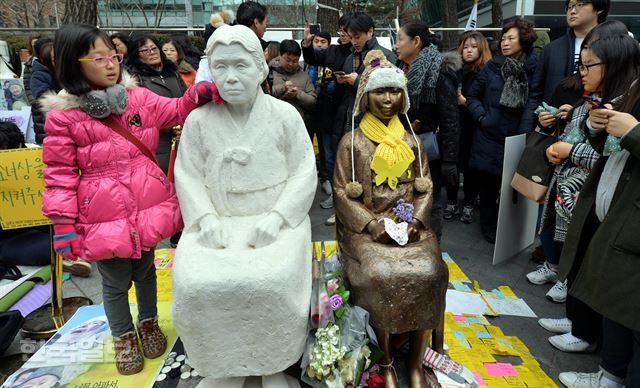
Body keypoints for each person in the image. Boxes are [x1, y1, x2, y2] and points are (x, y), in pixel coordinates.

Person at [39, 24, 220, 375]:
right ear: (72, 64)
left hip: (145, 204)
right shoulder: (64, 118)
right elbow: (58, 175)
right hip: (103, 214)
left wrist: (196, 95)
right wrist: (63, 223)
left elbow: (174, 110)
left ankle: (149, 322)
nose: (110, 65)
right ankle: (123, 335)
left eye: (114, 56)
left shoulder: (137, 99)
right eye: (99, 58)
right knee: (114, 281)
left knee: (147, 272)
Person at [171, 24, 316, 386]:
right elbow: (187, 174)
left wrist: (279, 216)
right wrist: (204, 218)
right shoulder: (199, 121)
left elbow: (303, 171)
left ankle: (272, 364)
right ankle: (224, 365)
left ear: (261, 69)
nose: (231, 77)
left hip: (275, 222)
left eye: (241, 66)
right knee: (194, 283)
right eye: (221, 67)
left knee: (272, 282)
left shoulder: (285, 116)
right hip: (217, 220)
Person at [333, 50, 447, 388]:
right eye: (380, 91)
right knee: (379, 274)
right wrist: (371, 224)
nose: (387, 99)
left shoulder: (412, 142)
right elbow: (342, 192)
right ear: (365, 97)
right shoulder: (351, 143)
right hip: (367, 230)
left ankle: (414, 363)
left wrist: (416, 222)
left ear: (404, 96)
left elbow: (426, 188)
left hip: (412, 227)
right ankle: (385, 363)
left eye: (395, 91)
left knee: (430, 271)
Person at [556, 33, 640, 388]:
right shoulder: (628, 93)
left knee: (622, 305)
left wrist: (634, 132)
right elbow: (610, 150)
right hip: (612, 210)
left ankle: (611, 374)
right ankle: (607, 370)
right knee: (609, 296)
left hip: (627, 221)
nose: (583, 72)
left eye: (588, 65)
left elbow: (627, 142)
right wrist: (595, 127)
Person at [466, 18, 538, 243]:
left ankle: (509, 229)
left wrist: (524, 132)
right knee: (487, 188)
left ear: (523, 41)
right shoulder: (492, 66)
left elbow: (534, 101)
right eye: (503, 38)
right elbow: (472, 96)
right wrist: (482, 117)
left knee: (511, 189)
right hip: (489, 134)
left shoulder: (534, 67)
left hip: (517, 136)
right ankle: (488, 227)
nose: (505, 43)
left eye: (511, 38)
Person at [396, 21, 461, 241]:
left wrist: (449, 160)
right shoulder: (400, 70)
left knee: (430, 202)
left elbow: (451, 118)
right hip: (400, 149)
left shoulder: (439, 71)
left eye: (400, 40)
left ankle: (431, 247)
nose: (396, 46)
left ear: (416, 42)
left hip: (428, 150)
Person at [301, 14, 354, 225]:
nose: (342, 35)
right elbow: (313, 58)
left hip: (349, 113)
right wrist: (306, 42)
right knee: (330, 156)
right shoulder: (332, 51)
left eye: (346, 31)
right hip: (327, 112)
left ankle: (349, 199)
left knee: (349, 158)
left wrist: (350, 81)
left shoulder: (363, 53)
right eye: (340, 31)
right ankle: (335, 193)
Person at [126, 34, 187, 174]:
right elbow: (141, 112)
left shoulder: (173, 73)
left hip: (184, 135)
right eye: (145, 50)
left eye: (154, 48)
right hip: (159, 140)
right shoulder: (135, 79)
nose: (152, 52)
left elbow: (185, 98)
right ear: (136, 55)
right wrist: (170, 125)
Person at [454, 31, 492, 224]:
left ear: (482, 49)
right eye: (466, 47)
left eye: (473, 47)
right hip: (457, 124)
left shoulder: (486, 71)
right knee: (458, 163)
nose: (468, 51)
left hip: (476, 126)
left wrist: (465, 102)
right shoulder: (456, 70)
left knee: (471, 167)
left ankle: (469, 203)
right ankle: (455, 202)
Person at [272, 39, 317, 137]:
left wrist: (297, 94)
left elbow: (313, 101)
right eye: (288, 60)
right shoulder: (269, 72)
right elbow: (264, 94)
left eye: (295, 61)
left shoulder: (304, 76)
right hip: (274, 126)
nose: (291, 64)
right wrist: (283, 88)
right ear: (280, 55)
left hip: (299, 127)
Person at [22, 33, 46, 101]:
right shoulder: (29, 63)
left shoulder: (49, 59)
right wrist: (33, 102)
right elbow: (27, 86)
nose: (37, 46)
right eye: (34, 43)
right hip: (37, 102)